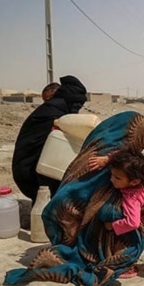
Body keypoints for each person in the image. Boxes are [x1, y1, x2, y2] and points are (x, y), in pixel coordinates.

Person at [5, 111, 144, 286]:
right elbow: (109, 210)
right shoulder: (111, 167)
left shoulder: (107, 153)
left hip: (71, 223)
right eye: (142, 139)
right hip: (85, 227)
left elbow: (136, 181)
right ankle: (110, 259)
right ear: (133, 136)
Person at [88, 148, 144, 278]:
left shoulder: (131, 198)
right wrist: (107, 159)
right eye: (112, 175)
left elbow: (132, 222)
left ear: (134, 182)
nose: (112, 179)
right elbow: (126, 154)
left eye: (117, 178)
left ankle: (122, 261)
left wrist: (112, 226)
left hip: (126, 226)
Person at [11, 75, 87, 203]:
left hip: (31, 170)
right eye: (77, 105)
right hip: (29, 173)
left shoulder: (56, 109)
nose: (77, 109)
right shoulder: (52, 112)